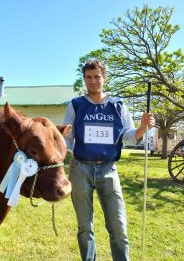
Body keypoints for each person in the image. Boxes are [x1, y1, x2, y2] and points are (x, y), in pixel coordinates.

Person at [63, 59, 155, 261]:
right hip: (80, 169)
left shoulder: (118, 105)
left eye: (97, 76)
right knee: (85, 227)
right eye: (89, 77)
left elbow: (129, 136)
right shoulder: (75, 105)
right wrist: (65, 147)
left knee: (118, 226)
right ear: (84, 79)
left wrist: (143, 127)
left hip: (108, 169)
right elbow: (66, 138)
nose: (93, 81)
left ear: (104, 77)